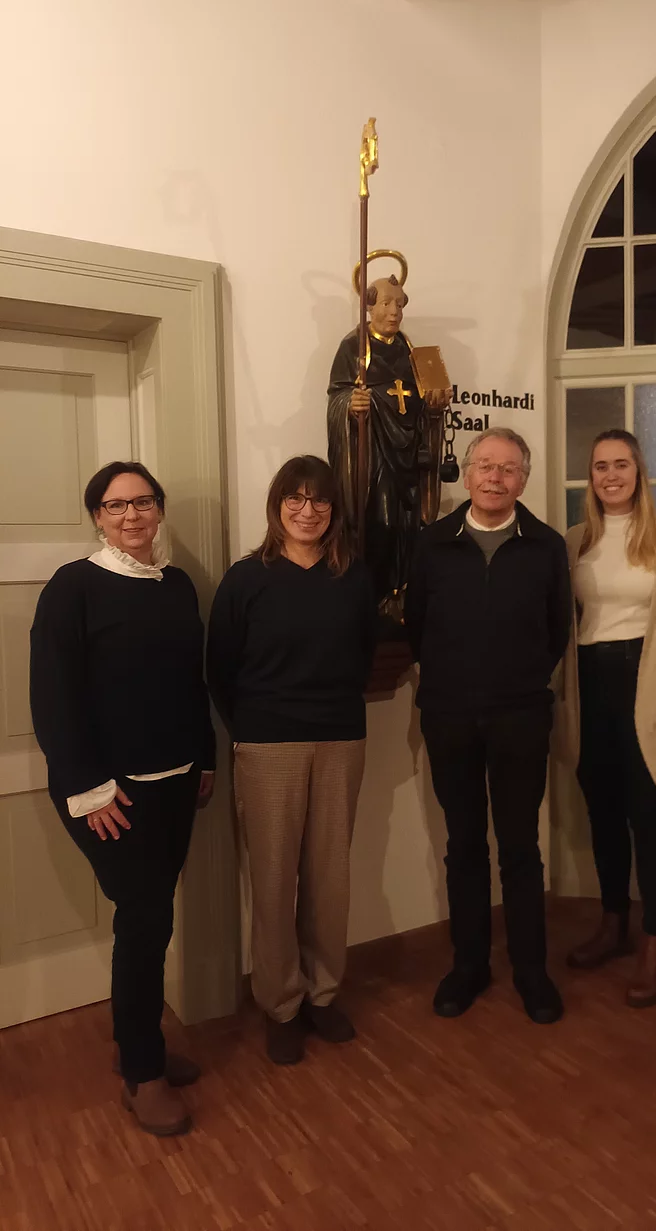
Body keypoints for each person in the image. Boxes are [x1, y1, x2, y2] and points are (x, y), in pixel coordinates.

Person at [29, 461, 216, 1138]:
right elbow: (52, 697)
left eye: (143, 502)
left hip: (176, 781)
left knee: (150, 919)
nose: (131, 514)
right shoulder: (73, 587)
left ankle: (132, 1041)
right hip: (111, 793)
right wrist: (87, 787)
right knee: (143, 922)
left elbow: (190, 684)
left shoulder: (175, 586)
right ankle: (143, 1072)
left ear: (159, 509)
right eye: (116, 505)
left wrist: (205, 758)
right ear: (98, 516)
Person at [207, 455, 375, 1065]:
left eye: (321, 502)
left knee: (330, 877)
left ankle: (323, 994)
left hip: (339, 740)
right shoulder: (246, 579)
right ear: (278, 505)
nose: (308, 511)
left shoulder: (353, 577)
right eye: (296, 500)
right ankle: (280, 1004)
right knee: (274, 879)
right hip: (267, 743)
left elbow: (363, 658)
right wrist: (253, 726)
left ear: (334, 512)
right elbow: (219, 670)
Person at [404, 427, 572, 1024]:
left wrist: (517, 680)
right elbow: (416, 624)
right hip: (448, 717)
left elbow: (558, 632)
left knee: (522, 848)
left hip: (521, 717)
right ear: (468, 475)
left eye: (508, 469)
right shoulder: (432, 544)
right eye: (485, 466)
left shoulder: (547, 546)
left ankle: (532, 971)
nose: (496, 478)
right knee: (464, 846)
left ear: (523, 479)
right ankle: (469, 966)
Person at [558, 430, 656, 1007]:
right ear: (590, 477)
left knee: (650, 818)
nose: (610, 475)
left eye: (621, 464)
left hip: (648, 686)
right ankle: (614, 923)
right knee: (603, 814)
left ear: (639, 471)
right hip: (591, 685)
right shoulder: (576, 541)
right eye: (600, 466)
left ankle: (655, 944)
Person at [327, 274, 447, 611]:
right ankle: (376, 596)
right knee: (381, 524)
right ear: (368, 306)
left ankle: (403, 594)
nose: (394, 311)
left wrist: (436, 404)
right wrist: (350, 404)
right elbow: (337, 396)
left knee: (412, 528)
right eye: (386, 303)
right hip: (375, 457)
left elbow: (435, 403)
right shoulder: (354, 347)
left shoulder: (416, 352)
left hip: (411, 456)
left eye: (399, 303)